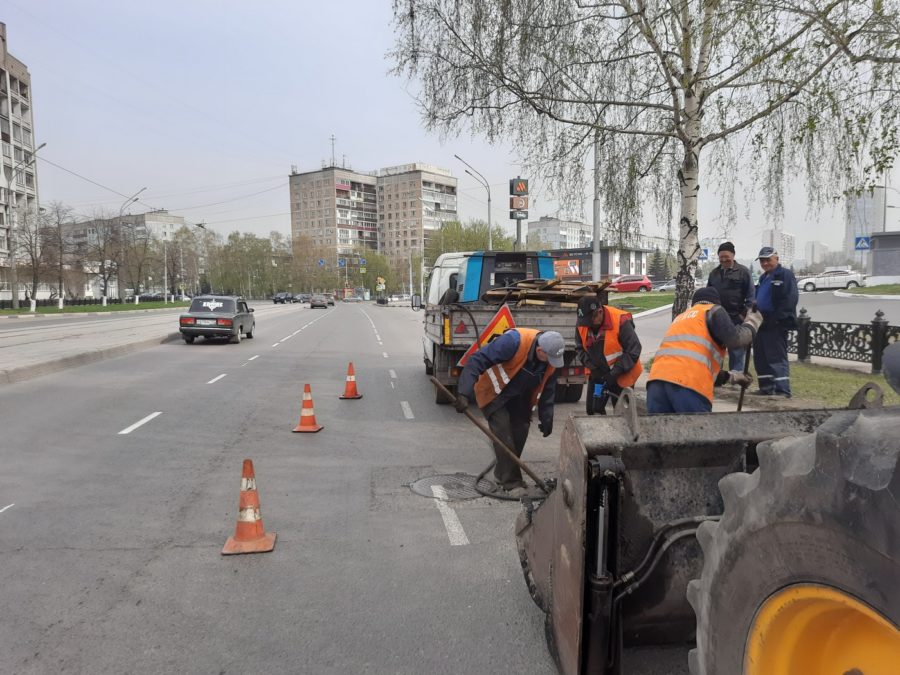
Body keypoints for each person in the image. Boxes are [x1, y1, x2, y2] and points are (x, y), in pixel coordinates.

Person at [454, 328, 563, 496]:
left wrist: (546, 419)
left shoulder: (551, 359)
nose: (552, 363)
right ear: (540, 350)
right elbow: (477, 360)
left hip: (517, 395)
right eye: (550, 358)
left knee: (521, 430)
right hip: (492, 393)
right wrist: (463, 393)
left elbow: (548, 390)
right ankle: (511, 483)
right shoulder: (513, 342)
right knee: (503, 433)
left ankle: (502, 472)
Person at [646, 287, 762, 413]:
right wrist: (751, 323)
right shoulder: (713, 310)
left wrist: (733, 377)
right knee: (697, 425)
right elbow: (735, 339)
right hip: (688, 385)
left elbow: (693, 365)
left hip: (656, 384)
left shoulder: (681, 318)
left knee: (661, 426)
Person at [575, 295, 643, 415]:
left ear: (599, 312)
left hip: (622, 373)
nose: (587, 326)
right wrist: (592, 368)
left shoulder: (620, 320)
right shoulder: (583, 321)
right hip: (598, 373)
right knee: (593, 410)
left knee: (622, 415)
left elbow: (634, 350)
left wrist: (614, 374)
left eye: (590, 322)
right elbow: (579, 348)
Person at [752, 247, 799, 397]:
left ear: (776, 259)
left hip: (776, 323)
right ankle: (766, 387)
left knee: (776, 357)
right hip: (761, 322)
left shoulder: (785, 275)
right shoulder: (763, 277)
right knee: (761, 356)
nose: (765, 263)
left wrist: (778, 319)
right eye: (762, 261)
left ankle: (782, 390)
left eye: (768, 260)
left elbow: (790, 299)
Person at [706, 241, 755, 372]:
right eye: (721, 257)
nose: (723, 260)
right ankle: (716, 377)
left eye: (726, 256)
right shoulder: (714, 273)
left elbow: (751, 296)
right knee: (716, 352)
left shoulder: (743, 272)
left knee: (737, 352)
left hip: (736, 319)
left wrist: (743, 315)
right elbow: (708, 295)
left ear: (733, 255)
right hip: (717, 319)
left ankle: (736, 378)